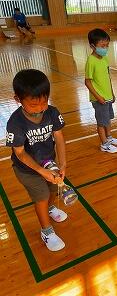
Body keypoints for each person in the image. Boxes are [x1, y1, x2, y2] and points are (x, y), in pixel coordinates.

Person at [6, 69, 67, 252]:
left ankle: (49, 209)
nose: (40, 108)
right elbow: (20, 153)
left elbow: (59, 137)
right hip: (27, 170)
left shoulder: (52, 112)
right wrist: (41, 171)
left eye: (44, 102)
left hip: (49, 163)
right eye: (33, 105)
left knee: (52, 191)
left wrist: (63, 164)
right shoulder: (15, 123)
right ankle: (46, 231)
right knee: (41, 197)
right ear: (18, 99)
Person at [85, 28, 117, 153]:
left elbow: (108, 77)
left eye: (107, 45)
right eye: (102, 46)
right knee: (101, 122)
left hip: (107, 97)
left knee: (107, 119)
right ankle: (104, 144)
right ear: (92, 46)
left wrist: (112, 92)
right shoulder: (91, 61)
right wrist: (97, 96)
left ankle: (109, 138)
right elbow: (88, 81)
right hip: (99, 99)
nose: (105, 48)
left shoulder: (104, 58)